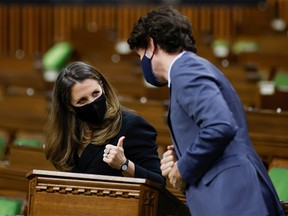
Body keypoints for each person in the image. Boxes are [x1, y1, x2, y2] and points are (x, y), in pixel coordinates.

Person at [127, 5, 284, 216]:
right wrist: (180, 156)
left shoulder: (185, 70)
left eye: (140, 55)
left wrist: (184, 168)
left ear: (151, 44)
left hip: (232, 199)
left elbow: (220, 125)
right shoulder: (191, 68)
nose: (142, 63)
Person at [43, 61, 165, 186]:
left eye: (96, 93)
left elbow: (158, 182)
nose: (93, 103)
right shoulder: (70, 133)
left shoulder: (132, 124)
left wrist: (124, 165)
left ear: (103, 87)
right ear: (69, 106)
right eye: (82, 100)